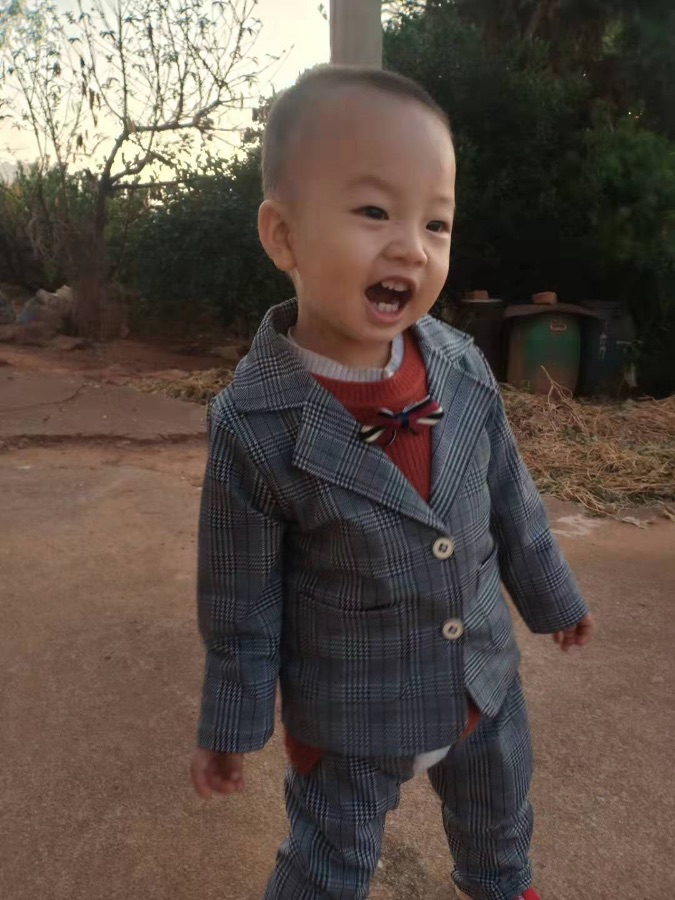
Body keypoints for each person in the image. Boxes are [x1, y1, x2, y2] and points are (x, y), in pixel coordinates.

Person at [190, 65, 593, 900]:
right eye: (374, 211)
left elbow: (509, 499)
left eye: (435, 222)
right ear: (283, 237)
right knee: (327, 861)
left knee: (499, 819)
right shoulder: (254, 423)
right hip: (349, 712)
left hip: (480, 680)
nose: (412, 246)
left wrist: (552, 597)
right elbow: (239, 596)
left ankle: (500, 883)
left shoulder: (461, 366)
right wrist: (231, 722)